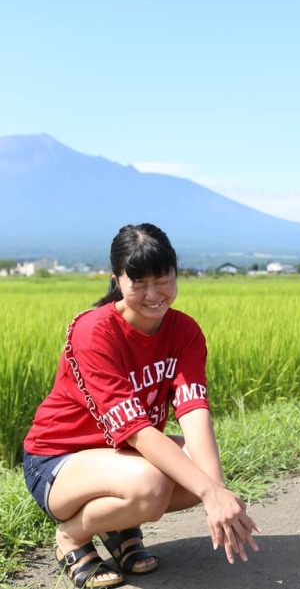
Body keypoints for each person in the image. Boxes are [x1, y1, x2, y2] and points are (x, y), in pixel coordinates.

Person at [23, 223, 260, 588]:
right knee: (152, 486)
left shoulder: (184, 331)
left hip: (118, 457)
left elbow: (193, 409)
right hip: (57, 461)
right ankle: (72, 535)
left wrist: (218, 490)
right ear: (117, 280)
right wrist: (209, 493)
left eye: (163, 279)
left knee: (200, 469)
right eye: (139, 283)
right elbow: (136, 432)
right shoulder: (94, 331)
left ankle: (116, 526)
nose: (153, 294)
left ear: (176, 273)